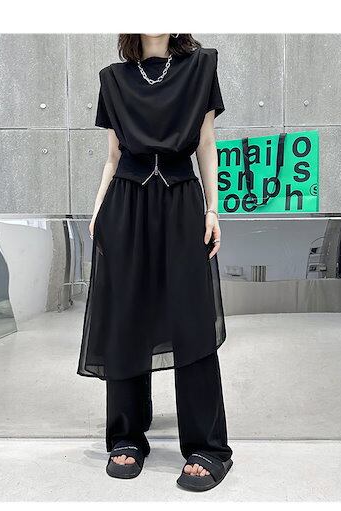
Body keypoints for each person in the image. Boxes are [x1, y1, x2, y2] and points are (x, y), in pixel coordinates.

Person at [77, 33, 233, 491]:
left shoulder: (201, 67)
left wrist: (213, 209)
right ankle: (126, 437)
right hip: (125, 204)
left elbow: (206, 143)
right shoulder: (113, 78)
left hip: (182, 201)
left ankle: (208, 446)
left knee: (192, 320)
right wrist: (98, 208)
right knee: (127, 318)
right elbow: (113, 156)